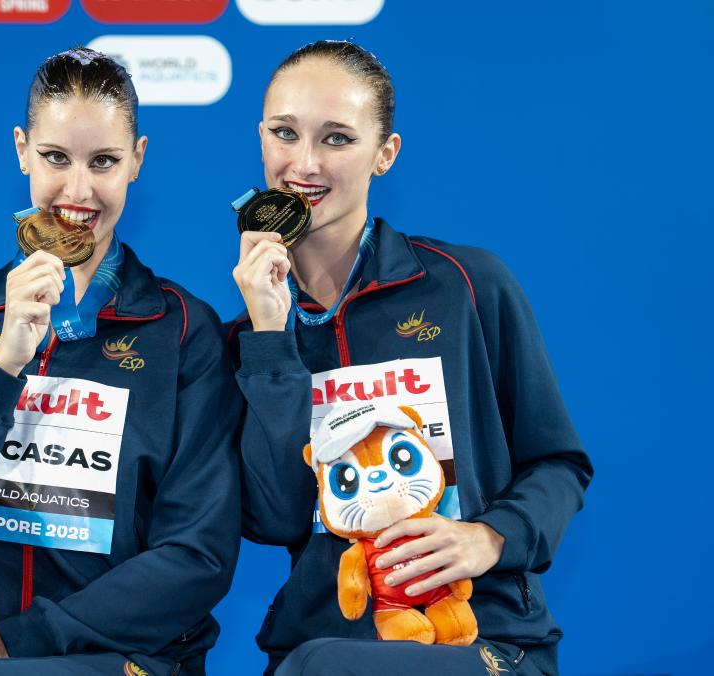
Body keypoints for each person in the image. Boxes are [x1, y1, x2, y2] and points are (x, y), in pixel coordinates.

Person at [0, 47, 241, 676]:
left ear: (137, 160)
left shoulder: (184, 331)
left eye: (104, 161)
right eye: (55, 157)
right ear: (22, 150)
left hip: (121, 660)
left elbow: (197, 555)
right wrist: (2, 364)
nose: (78, 191)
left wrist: (17, 641)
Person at [229, 40, 592, 676]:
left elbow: (558, 462)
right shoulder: (248, 337)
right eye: (285, 133)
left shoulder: (465, 284)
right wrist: (269, 337)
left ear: (385, 153)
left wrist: (489, 537)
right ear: (261, 139)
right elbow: (276, 519)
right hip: (316, 647)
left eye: (337, 138)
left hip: (480, 640)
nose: (304, 162)